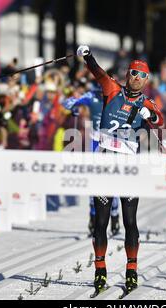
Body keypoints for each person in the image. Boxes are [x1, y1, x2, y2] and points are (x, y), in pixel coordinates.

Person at [76, 45, 164, 295]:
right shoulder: (112, 90)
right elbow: (98, 73)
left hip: (129, 168)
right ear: (128, 74)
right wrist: (87, 56)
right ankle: (100, 271)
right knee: (101, 222)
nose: (136, 78)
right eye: (133, 73)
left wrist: (151, 115)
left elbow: (161, 122)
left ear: (147, 81)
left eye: (142, 75)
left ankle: (131, 271)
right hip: (104, 163)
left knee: (129, 222)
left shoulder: (147, 102)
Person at [62, 82, 121, 237]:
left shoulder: (119, 95)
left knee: (111, 181)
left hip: (113, 144)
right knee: (93, 180)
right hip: (95, 143)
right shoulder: (91, 95)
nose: (103, 92)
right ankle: (93, 217)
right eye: (101, 89)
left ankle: (114, 215)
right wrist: (73, 107)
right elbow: (67, 103)